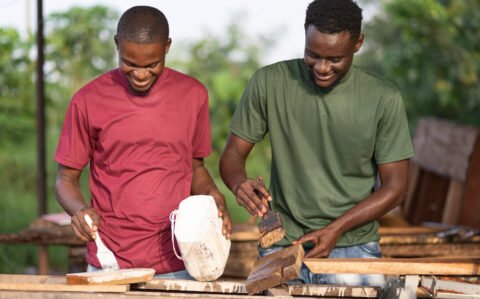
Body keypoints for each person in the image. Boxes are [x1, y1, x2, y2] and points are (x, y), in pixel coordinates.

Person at [219, 0, 414, 286]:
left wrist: (336, 229)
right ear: (304, 35)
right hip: (282, 249)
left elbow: (396, 189)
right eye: (313, 55)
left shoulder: (383, 99)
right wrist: (239, 183)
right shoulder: (269, 82)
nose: (322, 67)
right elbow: (233, 154)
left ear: (358, 43)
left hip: (353, 251)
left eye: (335, 59)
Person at [55, 6, 231, 278]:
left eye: (151, 65)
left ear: (167, 47)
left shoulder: (193, 95)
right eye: (129, 64)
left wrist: (213, 195)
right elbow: (65, 178)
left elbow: (195, 167)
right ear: (116, 44)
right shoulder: (87, 100)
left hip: (178, 260)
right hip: (109, 261)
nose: (140, 74)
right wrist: (79, 211)